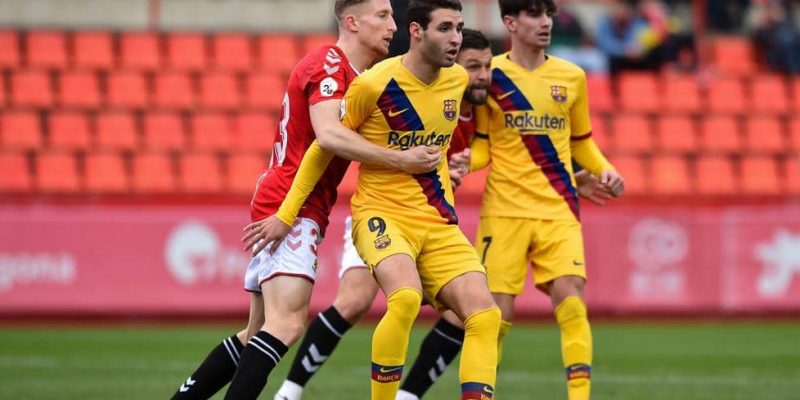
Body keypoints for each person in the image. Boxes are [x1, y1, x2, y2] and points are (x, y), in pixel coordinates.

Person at [168, 1, 440, 399]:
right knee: (288, 323)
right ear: (351, 21)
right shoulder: (329, 65)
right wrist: (402, 159)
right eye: (382, 16)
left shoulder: (359, 75)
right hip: (291, 203)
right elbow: (328, 135)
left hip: (293, 201)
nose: (392, 26)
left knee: (256, 332)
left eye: (392, 16)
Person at [258, 1, 502, 399]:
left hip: (436, 220)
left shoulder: (456, 80)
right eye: (445, 29)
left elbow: (436, 150)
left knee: (485, 315)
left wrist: (453, 179)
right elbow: (323, 146)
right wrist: (287, 215)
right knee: (402, 298)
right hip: (382, 215)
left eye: (459, 28)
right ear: (417, 32)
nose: (456, 38)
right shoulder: (373, 84)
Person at [463, 1, 625, 399]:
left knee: (572, 301)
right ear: (510, 23)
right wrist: (466, 162)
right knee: (494, 317)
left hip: (558, 206)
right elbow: (484, 146)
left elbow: (582, 142)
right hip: (504, 210)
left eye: (547, 15)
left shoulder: (572, 77)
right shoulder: (492, 74)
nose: (545, 23)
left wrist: (606, 169)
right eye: (534, 15)